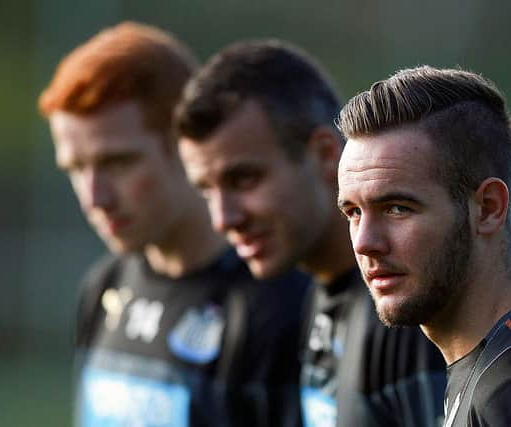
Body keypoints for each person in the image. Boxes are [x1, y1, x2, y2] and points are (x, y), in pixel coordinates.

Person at [38, 22, 308, 427]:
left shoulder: (280, 305)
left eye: (118, 163)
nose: (94, 197)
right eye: (76, 168)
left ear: (184, 144)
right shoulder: (105, 287)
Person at [175, 40, 447, 427]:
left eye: (244, 179)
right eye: (206, 190)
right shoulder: (318, 291)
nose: (223, 218)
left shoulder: (403, 312)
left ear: (323, 154)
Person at [336, 65, 511, 426]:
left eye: (397, 208)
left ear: (487, 208)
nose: (364, 243)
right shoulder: (500, 369)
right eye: (353, 212)